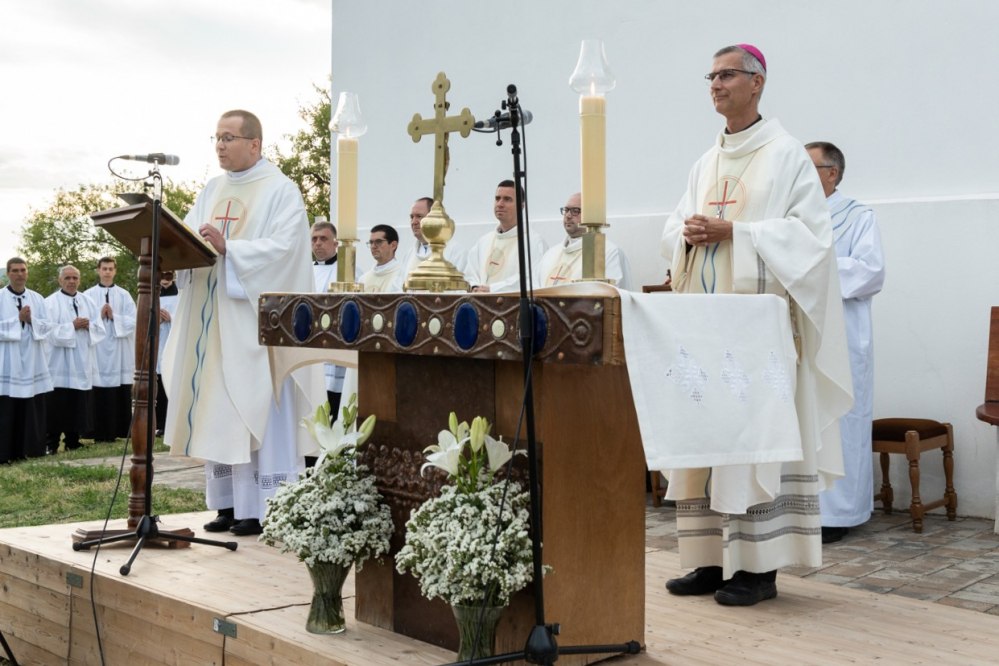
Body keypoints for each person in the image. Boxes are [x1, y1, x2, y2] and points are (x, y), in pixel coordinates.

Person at [660, 44, 853, 606]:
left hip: (758, 338)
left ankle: (757, 570)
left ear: (757, 82)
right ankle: (709, 561)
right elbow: (674, 226)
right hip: (706, 332)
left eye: (727, 75)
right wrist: (686, 235)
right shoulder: (705, 162)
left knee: (750, 447)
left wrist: (737, 234)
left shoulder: (787, 155)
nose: (716, 84)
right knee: (706, 445)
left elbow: (812, 242)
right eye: (711, 76)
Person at [162, 109, 323, 537]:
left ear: (254, 144)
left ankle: (264, 508)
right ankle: (229, 504)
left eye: (228, 137)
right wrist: (174, 255)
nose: (220, 145)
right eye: (216, 137)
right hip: (213, 324)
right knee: (220, 412)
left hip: (256, 328)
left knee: (258, 410)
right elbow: (188, 238)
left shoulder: (281, 190)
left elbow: (286, 250)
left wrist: (230, 249)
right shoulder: (211, 189)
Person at [806, 141, 886, 544]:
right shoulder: (792, 218)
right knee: (807, 422)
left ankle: (840, 515)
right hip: (803, 335)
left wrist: (812, 266)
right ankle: (804, 510)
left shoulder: (858, 216)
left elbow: (871, 271)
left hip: (844, 336)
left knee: (842, 422)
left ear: (831, 173)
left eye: (807, 167)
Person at [44, 265, 106, 453]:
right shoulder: (50, 303)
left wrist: (89, 327)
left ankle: (72, 441)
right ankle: (51, 443)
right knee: (57, 403)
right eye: (67, 278)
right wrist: (72, 326)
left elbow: (100, 329)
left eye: (75, 278)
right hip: (59, 362)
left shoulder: (88, 301)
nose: (71, 281)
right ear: (60, 281)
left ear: (79, 280)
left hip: (81, 359)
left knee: (77, 402)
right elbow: (47, 331)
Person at [0, 258, 53, 462]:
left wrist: (31, 320)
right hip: (7, 360)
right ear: (8, 273)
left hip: (32, 360)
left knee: (30, 406)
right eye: (15, 270)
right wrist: (17, 320)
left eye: (23, 270)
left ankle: (29, 449)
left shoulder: (37, 298)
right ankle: (5, 452)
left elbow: (48, 327)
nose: (20, 274)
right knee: (7, 407)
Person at [84, 257, 136, 442]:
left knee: (119, 390)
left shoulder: (124, 295)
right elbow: (83, 321)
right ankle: (97, 432)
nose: (107, 272)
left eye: (110, 268)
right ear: (98, 270)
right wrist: (99, 316)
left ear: (115, 271)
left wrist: (115, 317)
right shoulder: (88, 295)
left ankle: (120, 430)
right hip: (97, 349)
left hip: (119, 350)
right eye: (104, 268)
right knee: (97, 389)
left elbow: (134, 321)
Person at [465, 180, 548, 293]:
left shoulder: (533, 242)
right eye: (497, 198)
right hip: (480, 301)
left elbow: (532, 279)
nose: (500, 204)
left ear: (521, 206)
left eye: (507, 199)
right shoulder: (484, 241)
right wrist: (475, 287)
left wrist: (492, 289)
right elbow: (470, 274)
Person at [537, 192, 632, 290]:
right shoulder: (549, 255)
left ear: (591, 214)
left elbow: (613, 295)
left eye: (575, 211)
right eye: (566, 210)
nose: (568, 216)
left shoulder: (607, 253)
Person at [311, 219, 346, 416]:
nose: (318, 243)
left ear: (335, 243)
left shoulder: (346, 271)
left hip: (333, 348)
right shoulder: (305, 271)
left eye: (323, 239)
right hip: (309, 347)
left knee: (332, 405)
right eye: (314, 239)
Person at [398, 196, 467, 280]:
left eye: (419, 216)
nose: (414, 222)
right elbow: (398, 285)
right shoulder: (410, 254)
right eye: (412, 217)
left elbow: (459, 284)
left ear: (434, 218)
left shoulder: (454, 251)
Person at [154, 271, 179, 438]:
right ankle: (161, 424)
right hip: (158, 344)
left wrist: (171, 318)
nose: (165, 278)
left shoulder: (181, 294)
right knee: (160, 385)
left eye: (168, 275)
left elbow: (186, 317)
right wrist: (156, 319)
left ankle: (175, 424)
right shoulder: (152, 294)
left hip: (175, 342)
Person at [359, 224, 404, 293]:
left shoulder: (402, 276)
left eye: (378, 242)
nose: (373, 246)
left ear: (393, 245)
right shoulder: (363, 279)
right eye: (371, 243)